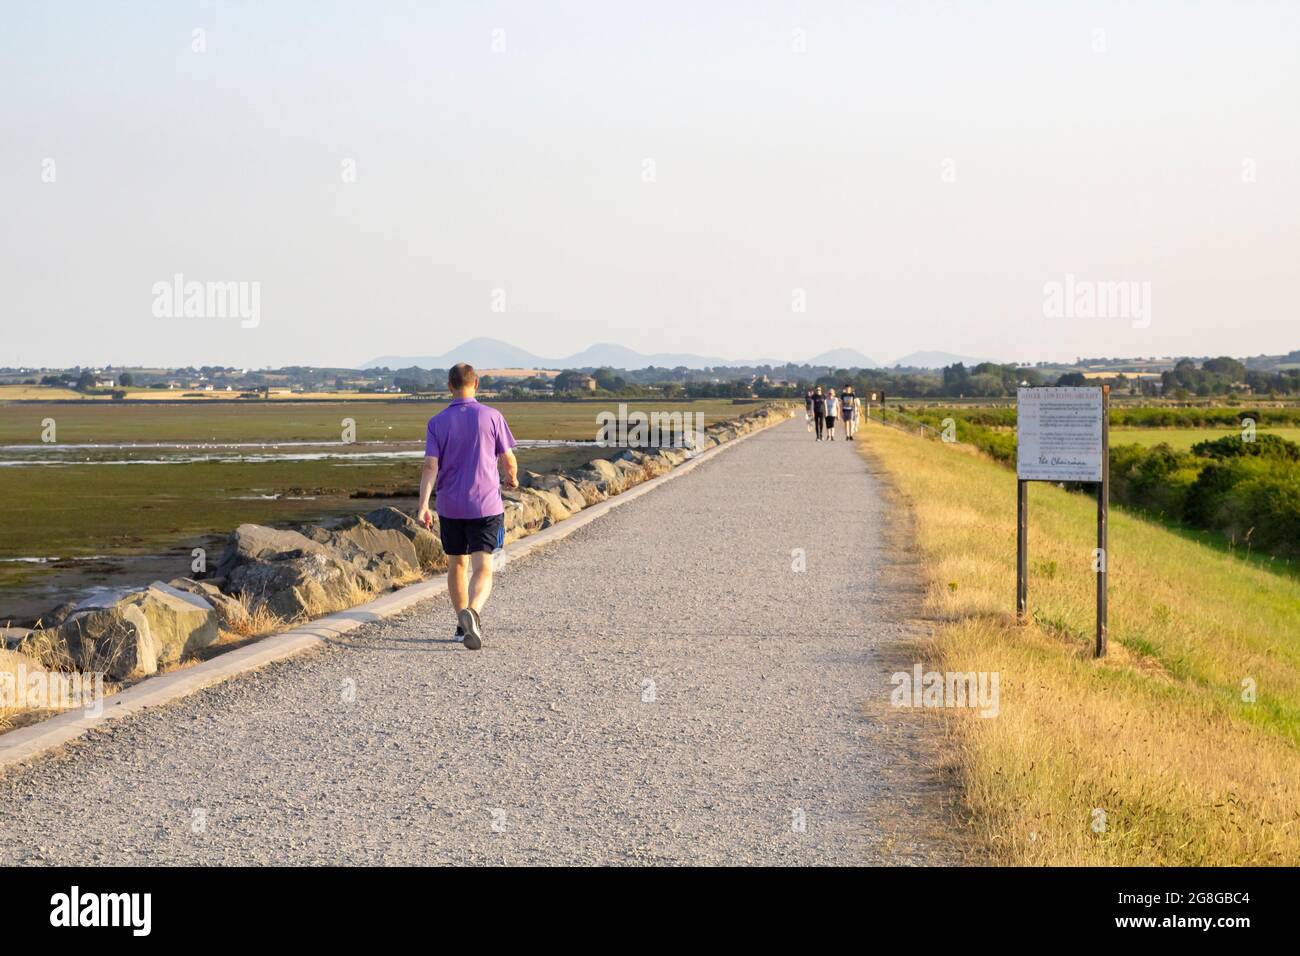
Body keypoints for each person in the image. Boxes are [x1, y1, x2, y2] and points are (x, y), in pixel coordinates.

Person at [417, 363, 518, 650]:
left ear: (449, 386)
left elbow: (429, 465)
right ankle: (473, 612)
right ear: (476, 384)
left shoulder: (436, 423)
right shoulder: (492, 416)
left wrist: (423, 505)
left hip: (450, 506)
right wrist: (512, 478)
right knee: (483, 565)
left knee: (456, 565)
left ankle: (462, 626)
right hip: (486, 505)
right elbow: (508, 459)